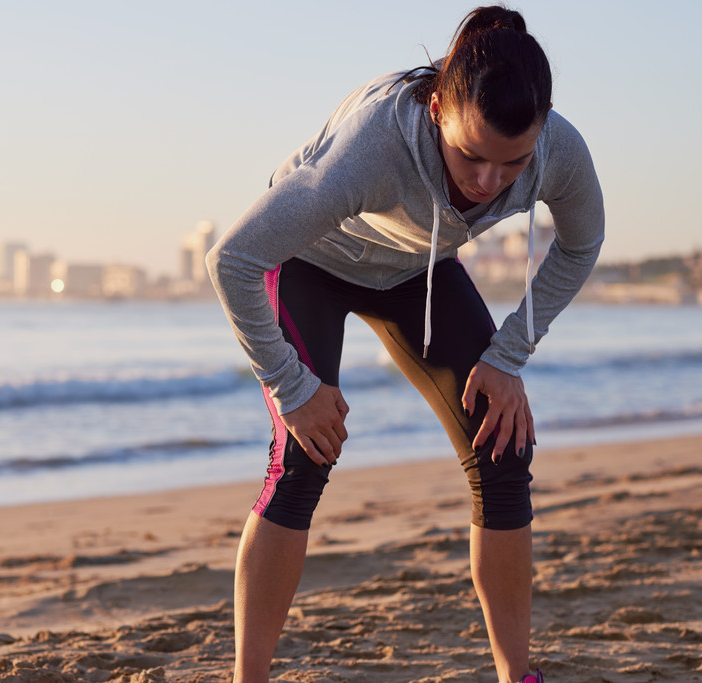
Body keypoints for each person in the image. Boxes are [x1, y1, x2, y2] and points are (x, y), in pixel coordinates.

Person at [206, 5, 604, 683]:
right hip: (308, 261)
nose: (486, 184)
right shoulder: (373, 146)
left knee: (501, 443)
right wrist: (292, 387)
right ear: (437, 107)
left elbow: (579, 242)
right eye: (470, 156)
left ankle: (517, 676)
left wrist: (508, 355)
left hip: (414, 271)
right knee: (302, 458)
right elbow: (233, 261)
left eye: (511, 163)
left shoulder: (557, 150)